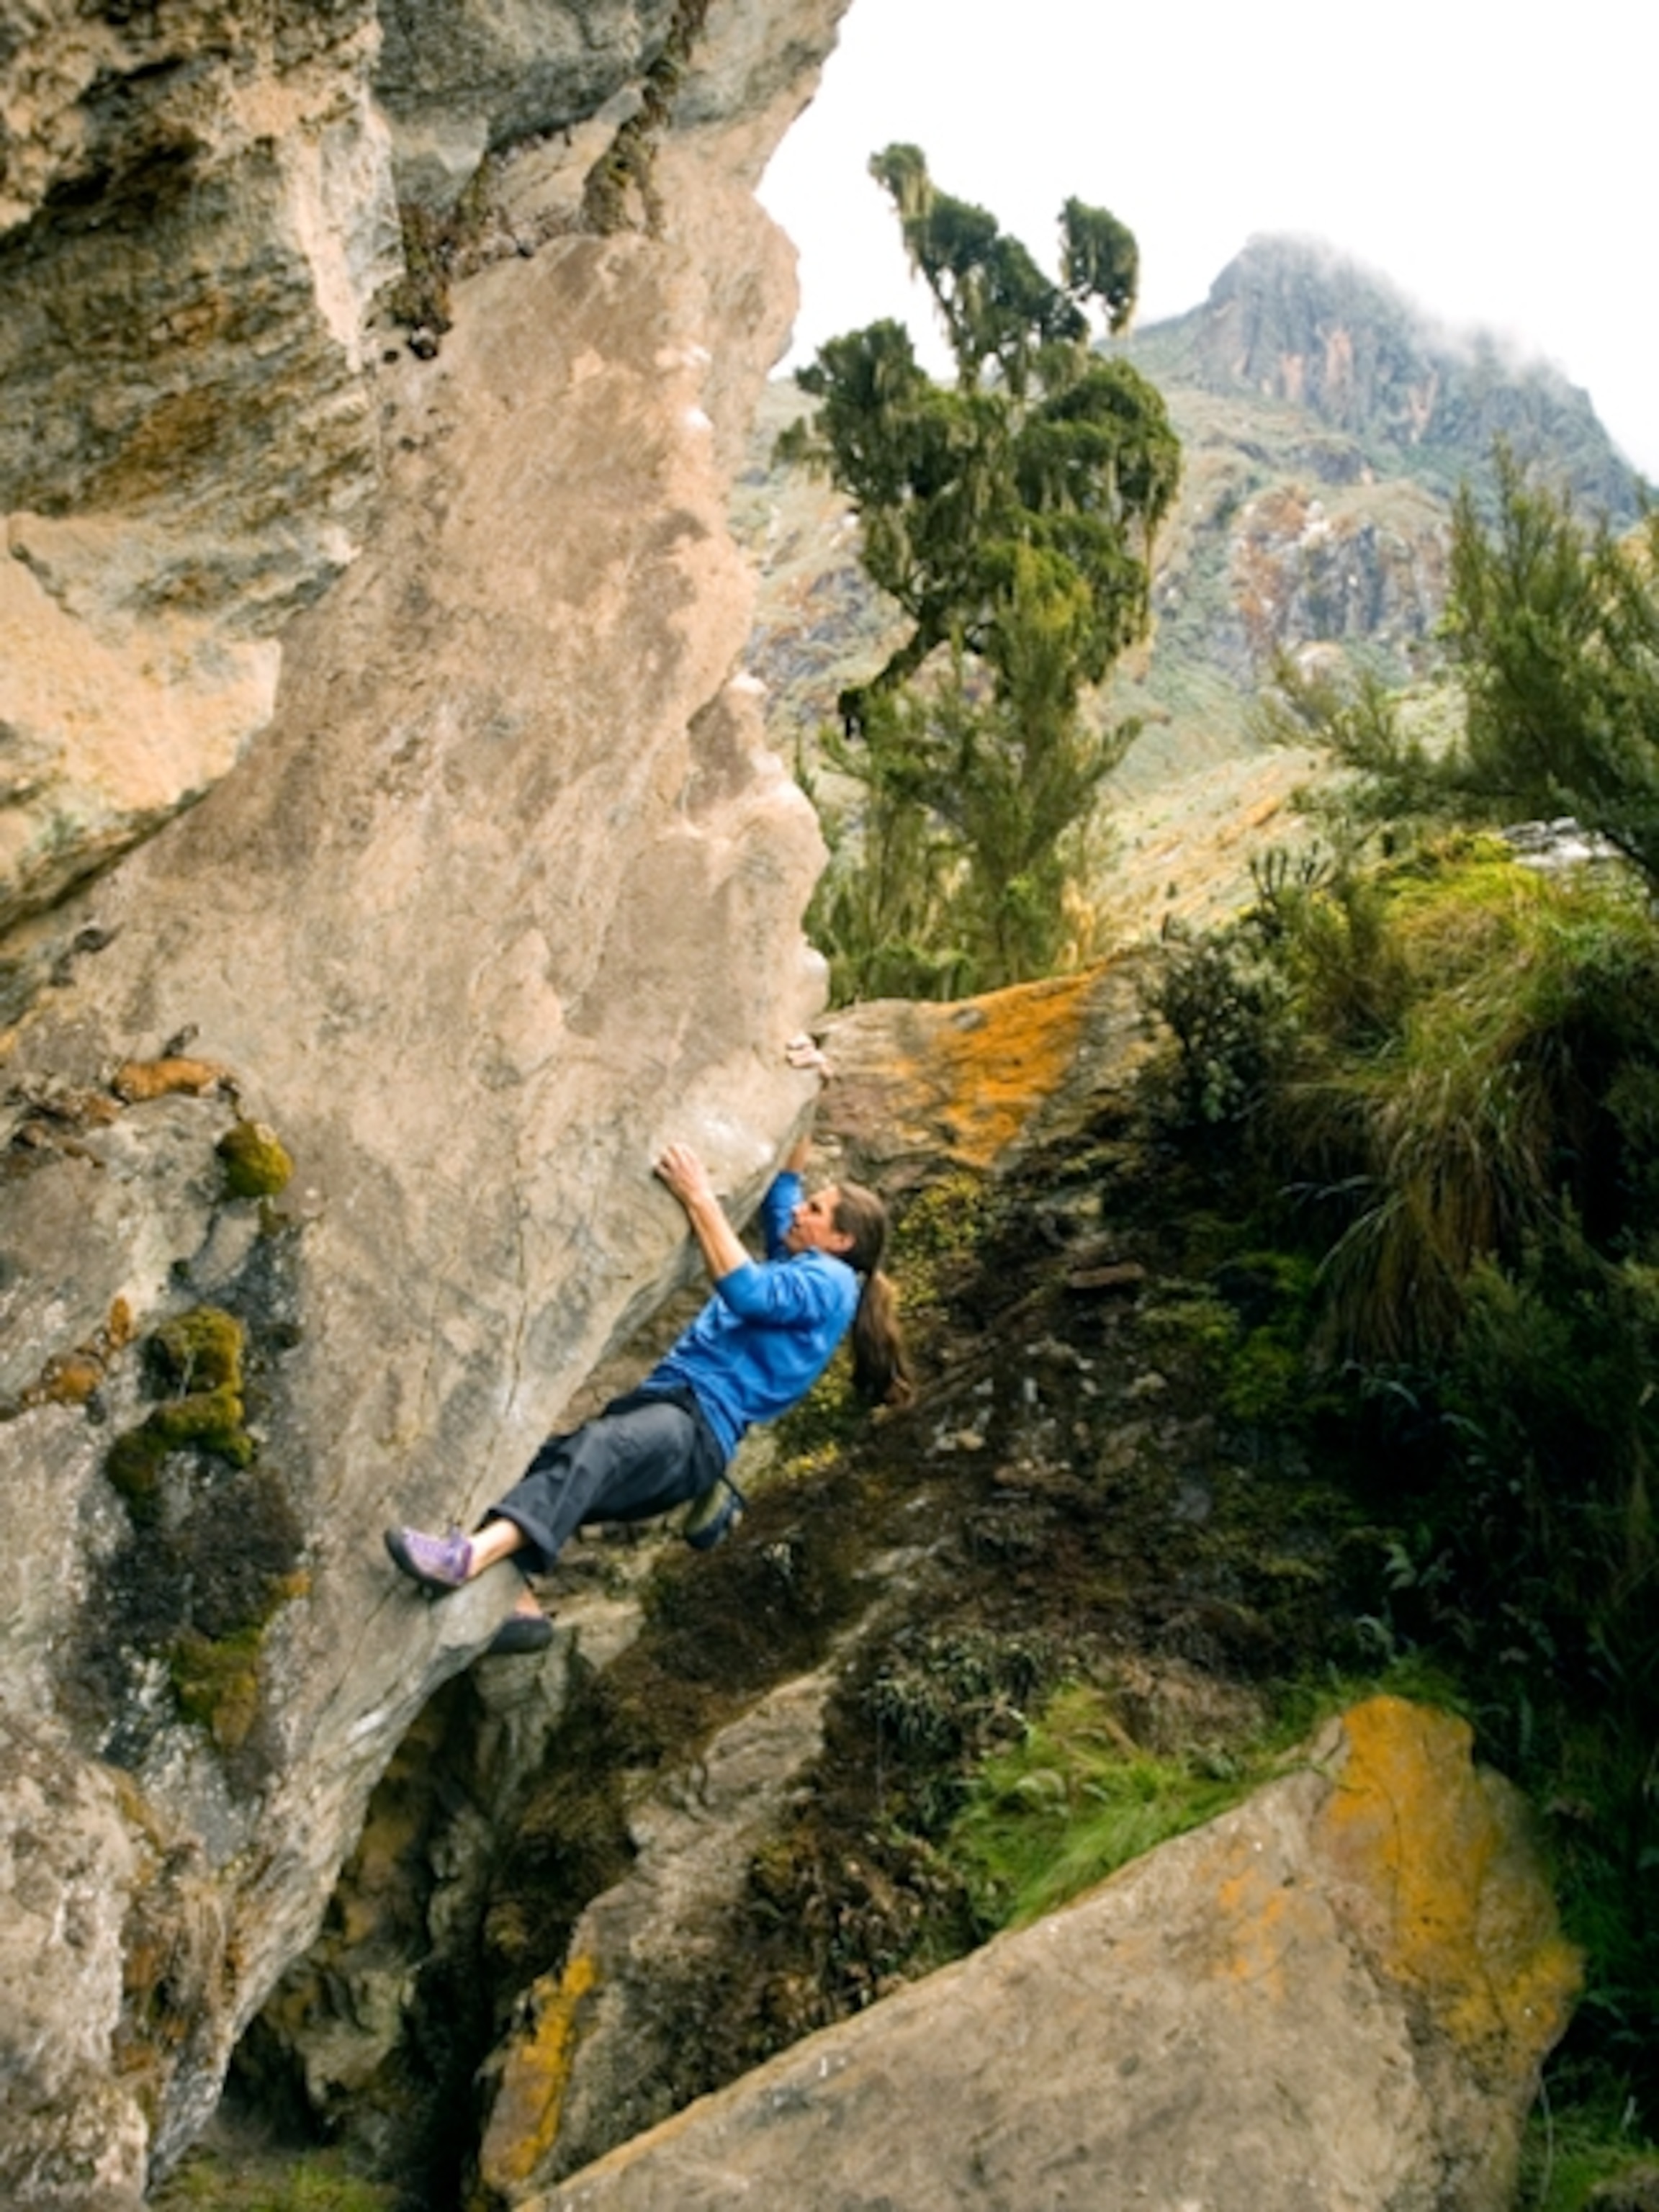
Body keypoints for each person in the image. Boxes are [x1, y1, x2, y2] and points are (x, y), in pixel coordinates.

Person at [383, 1110, 909, 1651]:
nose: (802, 1211)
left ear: (842, 1240)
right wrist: (812, 1082)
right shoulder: (804, 1266)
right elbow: (784, 1187)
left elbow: (747, 1292)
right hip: (675, 1414)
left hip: (695, 1427)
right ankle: (519, 1607)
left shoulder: (830, 1280)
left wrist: (698, 1196)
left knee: (597, 1450)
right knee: (551, 1466)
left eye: (817, 1211)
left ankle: (462, 1560)